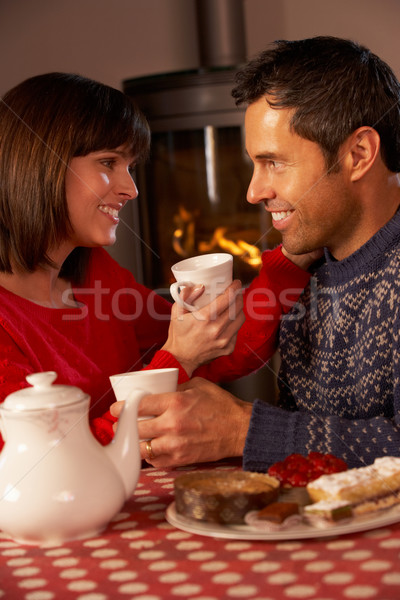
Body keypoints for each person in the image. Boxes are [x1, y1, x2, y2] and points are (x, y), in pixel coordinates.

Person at [115, 36, 400, 470]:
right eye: (254, 164)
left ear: (357, 155)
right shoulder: (311, 270)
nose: (254, 192)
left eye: (275, 163)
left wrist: (240, 429)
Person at [0, 72, 247, 450]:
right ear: (39, 165)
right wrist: (178, 357)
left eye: (129, 166)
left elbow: (217, 352)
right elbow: (50, 466)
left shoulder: (95, 272)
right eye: (108, 162)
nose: (130, 189)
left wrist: (292, 260)